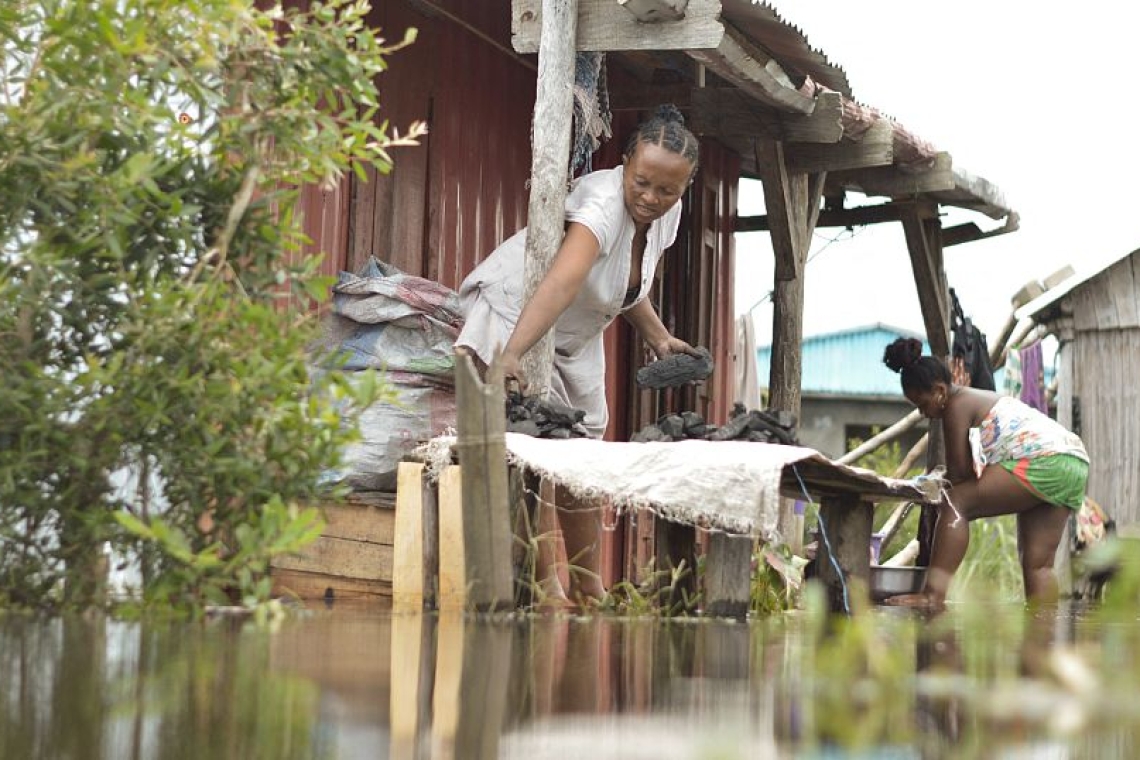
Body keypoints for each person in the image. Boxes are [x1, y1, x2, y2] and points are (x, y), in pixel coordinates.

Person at [455, 104, 701, 607]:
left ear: (684, 187)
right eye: (641, 183)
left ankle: (589, 586)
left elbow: (621, 284)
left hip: (576, 335)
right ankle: (549, 590)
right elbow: (565, 280)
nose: (651, 197)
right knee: (540, 448)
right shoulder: (601, 207)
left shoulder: (666, 214)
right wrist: (511, 353)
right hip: (519, 314)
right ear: (625, 162)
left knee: (582, 459)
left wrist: (657, 336)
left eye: (667, 190)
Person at [882, 337, 1089, 609]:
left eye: (922, 404)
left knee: (956, 502)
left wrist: (938, 484)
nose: (923, 413)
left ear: (940, 391)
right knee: (1038, 564)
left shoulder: (956, 406)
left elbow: (959, 476)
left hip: (1044, 460)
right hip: (1073, 462)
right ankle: (1042, 635)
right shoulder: (972, 399)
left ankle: (933, 595)